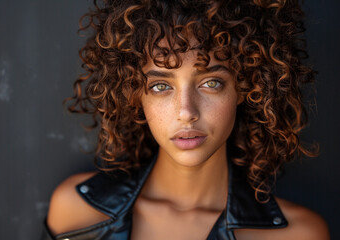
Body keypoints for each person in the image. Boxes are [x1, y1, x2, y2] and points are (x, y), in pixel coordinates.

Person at [41, 0, 330, 239]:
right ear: (134, 95)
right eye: (160, 86)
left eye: (211, 83)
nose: (186, 111)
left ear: (245, 87)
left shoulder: (299, 234)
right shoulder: (78, 212)